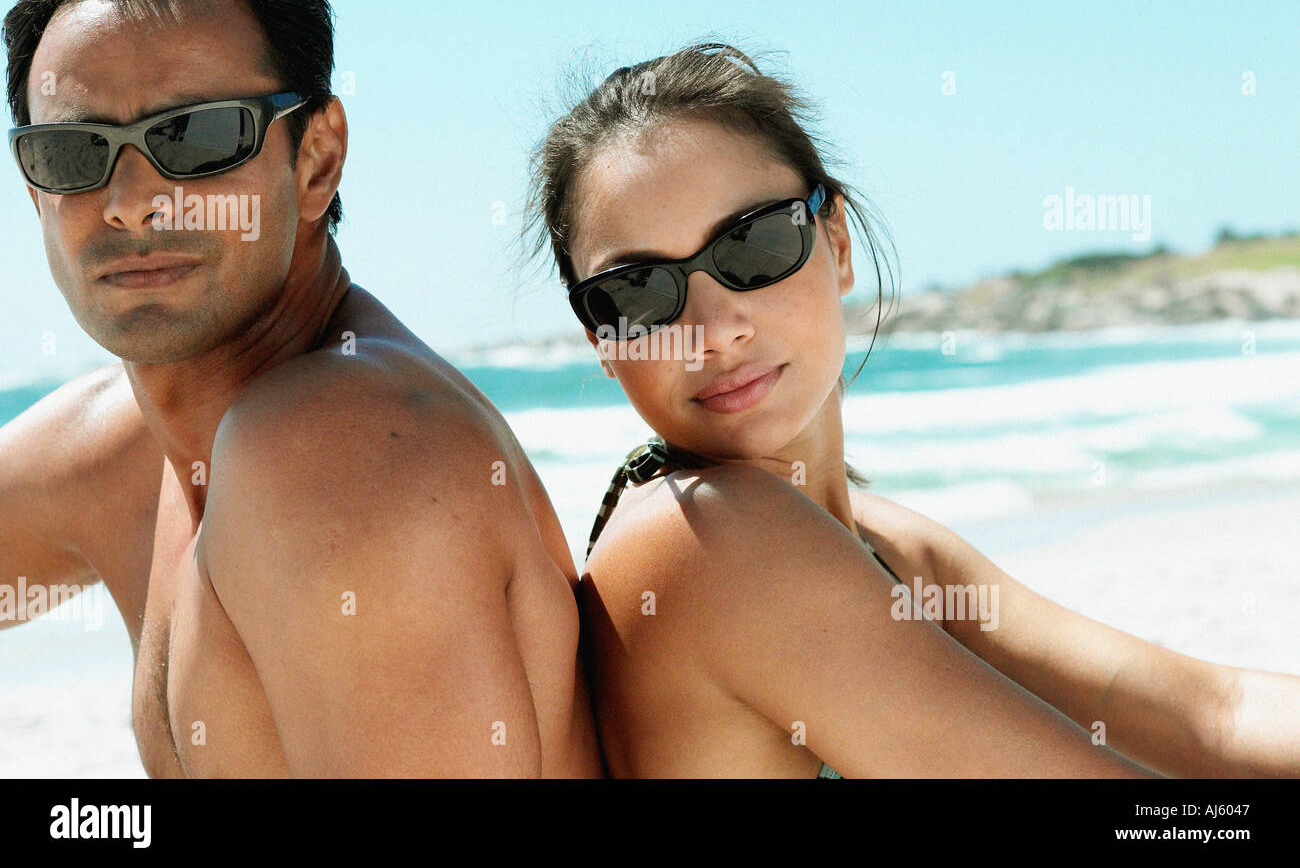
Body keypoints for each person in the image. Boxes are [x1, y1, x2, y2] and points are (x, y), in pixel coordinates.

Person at [523, 40, 1300, 778]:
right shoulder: (705, 541)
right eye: (639, 293)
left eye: (753, 245)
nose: (714, 331)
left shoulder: (884, 542)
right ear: (601, 336)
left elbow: (1214, 716)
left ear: (837, 242)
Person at [0, 0, 602, 778]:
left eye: (197, 137)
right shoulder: (132, 448)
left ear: (317, 160)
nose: (131, 200)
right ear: (35, 191)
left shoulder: (335, 452)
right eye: (72, 153)